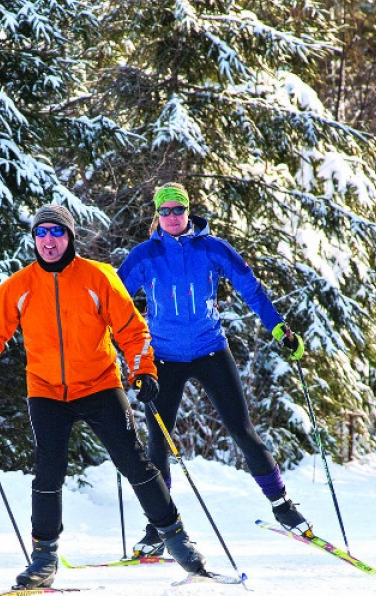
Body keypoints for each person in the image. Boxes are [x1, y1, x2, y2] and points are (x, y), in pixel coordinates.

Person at [0, 204, 207, 589]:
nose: (49, 241)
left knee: (134, 462)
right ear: (34, 239)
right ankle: (43, 557)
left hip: (100, 384)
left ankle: (175, 537)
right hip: (46, 390)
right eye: (41, 234)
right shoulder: (20, 285)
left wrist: (144, 370)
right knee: (47, 471)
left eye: (56, 233)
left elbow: (132, 330)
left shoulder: (96, 277)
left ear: (70, 237)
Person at [118, 183, 311, 558]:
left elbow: (251, 290)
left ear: (189, 212)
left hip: (210, 350)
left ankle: (283, 505)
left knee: (242, 429)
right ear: (157, 216)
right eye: (166, 211)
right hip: (163, 359)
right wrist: (105, 342)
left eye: (179, 209)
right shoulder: (145, 255)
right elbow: (113, 299)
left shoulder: (213, 248)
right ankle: (158, 527)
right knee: (158, 443)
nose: (173, 216)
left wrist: (279, 328)